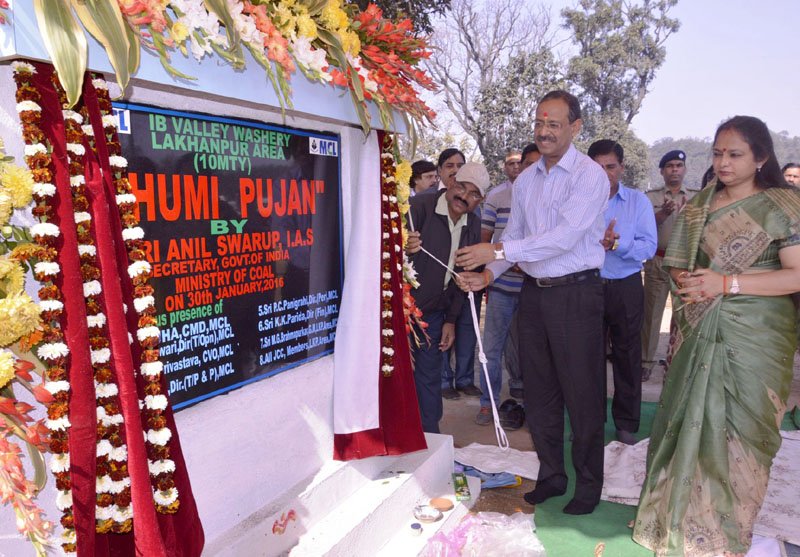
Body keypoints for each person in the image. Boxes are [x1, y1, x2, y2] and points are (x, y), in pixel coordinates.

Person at [633, 116, 800, 556]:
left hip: (757, 335)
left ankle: (725, 528)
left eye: (735, 154)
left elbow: (796, 274)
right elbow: (677, 262)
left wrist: (727, 284)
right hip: (700, 325)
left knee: (743, 428)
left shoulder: (782, 205)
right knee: (686, 418)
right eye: (718, 153)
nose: (724, 162)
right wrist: (690, 282)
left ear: (761, 158)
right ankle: (674, 519)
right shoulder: (702, 203)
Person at [454, 90, 609, 515]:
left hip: (577, 293)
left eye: (554, 124)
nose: (544, 131)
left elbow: (563, 238)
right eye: (539, 123)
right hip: (535, 296)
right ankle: (552, 475)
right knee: (539, 394)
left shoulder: (589, 176)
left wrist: (496, 252)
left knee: (582, 394)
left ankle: (588, 485)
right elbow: (515, 240)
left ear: (575, 127)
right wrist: (487, 274)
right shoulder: (525, 181)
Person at [405, 162, 488, 433]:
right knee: (397, 376)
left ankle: (430, 435)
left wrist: (450, 320)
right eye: (461, 187)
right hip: (400, 311)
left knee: (429, 375)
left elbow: (463, 276)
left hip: (433, 314)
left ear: (480, 201)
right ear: (450, 182)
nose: (464, 196)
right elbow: (383, 250)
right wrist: (403, 246)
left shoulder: (473, 224)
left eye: (473, 194)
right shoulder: (419, 207)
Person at [587, 140, 657, 445]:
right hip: (587, 285)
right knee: (588, 356)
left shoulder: (638, 202)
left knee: (627, 355)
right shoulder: (579, 201)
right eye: (597, 167)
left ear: (622, 168)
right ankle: (589, 422)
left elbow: (649, 247)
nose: (604, 173)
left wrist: (616, 244)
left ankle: (626, 423)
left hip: (626, 286)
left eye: (610, 166)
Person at [474, 150, 529, 425]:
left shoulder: (544, 197)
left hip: (534, 286)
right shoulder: (496, 196)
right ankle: (488, 403)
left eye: (522, 163)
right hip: (501, 284)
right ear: (505, 167)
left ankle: (531, 404)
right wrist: (493, 269)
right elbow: (486, 240)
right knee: (491, 348)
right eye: (512, 163)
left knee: (532, 349)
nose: (518, 167)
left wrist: (525, 263)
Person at [641, 150, 699, 381]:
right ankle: (645, 362)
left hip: (685, 264)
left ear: (684, 169)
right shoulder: (650, 197)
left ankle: (677, 361)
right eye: (670, 166)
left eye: (678, 165)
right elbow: (642, 227)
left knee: (684, 315)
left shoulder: (696, 197)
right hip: (658, 261)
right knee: (652, 315)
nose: (675, 169)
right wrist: (662, 214)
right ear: (662, 171)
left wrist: (688, 216)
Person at [435, 149, 483, 399]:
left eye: (459, 165)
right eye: (449, 166)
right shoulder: (425, 205)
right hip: (434, 292)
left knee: (464, 331)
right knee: (440, 334)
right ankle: (444, 380)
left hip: (463, 287)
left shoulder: (472, 217)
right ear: (440, 172)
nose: (454, 171)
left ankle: (464, 379)